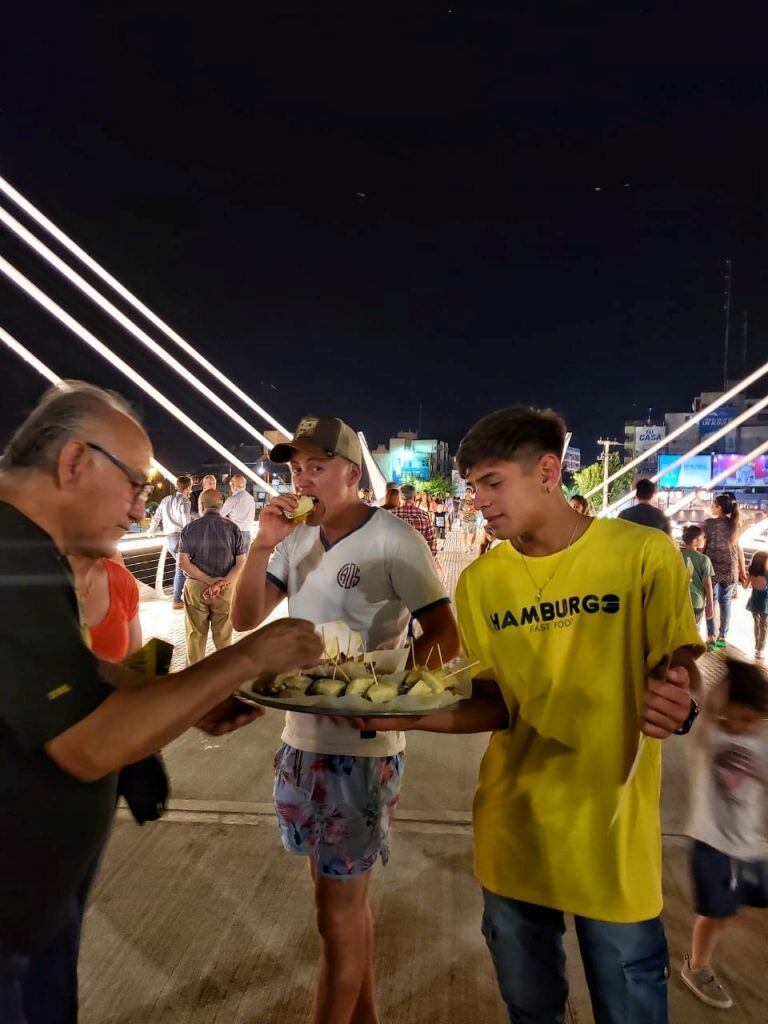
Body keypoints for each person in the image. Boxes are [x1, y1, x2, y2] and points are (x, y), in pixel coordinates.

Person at [352, 406, 703, 1024]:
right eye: (471, 488)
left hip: (614, 835)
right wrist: (404, 714)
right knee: (531, 1010)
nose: (479, 501)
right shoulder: (483, 581)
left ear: (547, 471)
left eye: (492, 483)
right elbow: (494, 704)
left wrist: (681, 693)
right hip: (515, 831)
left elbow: (676, 656)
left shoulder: (643, 553)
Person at [0, 382, 323, 1024]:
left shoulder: (29, 549)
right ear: (73, 463)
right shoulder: (11, 555)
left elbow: (78, 673)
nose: (140, 509)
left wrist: (182, 697)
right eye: (137, 485)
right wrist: (248, 656)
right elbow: (86, 746)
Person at [232, 413, 459, 1024]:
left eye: (317, 466)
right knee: (338, 905)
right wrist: (260, 542)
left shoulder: (391, 538)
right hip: (298, 736)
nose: (302, 479)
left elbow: (443, 627)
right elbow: (246, 616)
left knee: (336, 915)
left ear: (352, 473)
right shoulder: (295, 540)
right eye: (296, 468)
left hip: (360, 747)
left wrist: (400, 696)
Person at [681, 656, 768, 1010]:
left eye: (756, 720)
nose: (749, 726)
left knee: (743, 905)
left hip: (750, 846)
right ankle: (697, 966)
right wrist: (718, 692)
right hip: (711, 845)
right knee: (715, 913)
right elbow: (703, 709)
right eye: (743, 717)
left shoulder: (760, 740)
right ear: (726, 708)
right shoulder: (708, 736)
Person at [178, 489, 247, 665]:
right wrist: (221, 583)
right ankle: (223, 681)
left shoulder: (189, 529)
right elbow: (241, 563)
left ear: (201, 506)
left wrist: (209, 581)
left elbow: (183, 563)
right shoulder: (233, 528)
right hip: (226, 588)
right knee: (224, 639)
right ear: (221, 506)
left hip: (196, 588)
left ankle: (192, 682)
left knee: (195, 636)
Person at [703, 494, 747, 648]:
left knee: (711, 600)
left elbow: (703, 546)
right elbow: (738, 548)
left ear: (719, 507)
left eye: (713, 504)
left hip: (712, 566)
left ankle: (710, 635)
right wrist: (743, 569)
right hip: (730, 568)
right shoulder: (735, 523)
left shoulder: (708, 523)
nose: (711, 507)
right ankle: (723, 635)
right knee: (725, 601)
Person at [148, 474, 192, 609]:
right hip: (180, 538)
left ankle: (183, 596)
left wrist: (151, 530)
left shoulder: (166, 499)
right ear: (188, 488)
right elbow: (186, 521)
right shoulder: (185, 501)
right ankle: (177, 600)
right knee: (182, 568)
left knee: (183, 567)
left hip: (169, 539)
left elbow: (157, 516)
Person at [681, 525, 715, 633]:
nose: (705, 539)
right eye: (703, 537)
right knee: (693, 632)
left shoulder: (676, 555)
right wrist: (710, 605)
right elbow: (707, 584)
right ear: (695, 541)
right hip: (696, 601)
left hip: (678, 600)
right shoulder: (704, 559)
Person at [392, 483, 438, 556]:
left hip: (396, 559)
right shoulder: (424, 515)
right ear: (414, 497)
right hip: (419, 559)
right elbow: (432, 541)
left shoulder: (391, 514)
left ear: (400, 497)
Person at [221, 471, 257, 552]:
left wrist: (228, 519)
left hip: (235, 534)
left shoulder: (233, 499)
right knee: (245, 561)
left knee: (234, 561)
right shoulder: (250, 498)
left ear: (232, 485)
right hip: (247, 534)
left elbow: (219, 515)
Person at [744, 550, 768, 661]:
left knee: (756, 624)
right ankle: (760, 649)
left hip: (754, 601)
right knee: (764, 626)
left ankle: (757, 647)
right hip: (765, 603)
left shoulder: (751, 572)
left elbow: (744, 586)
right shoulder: (766, 574)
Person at [458, 484, 479, 552]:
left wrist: (473, 510)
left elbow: (477, 509)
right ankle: (466, 547)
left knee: (473, 535)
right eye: (467, 492)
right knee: (465, 534)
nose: (468, 493)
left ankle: (469, 545)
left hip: (473, 519)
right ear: (465, 492)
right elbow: (459, 510)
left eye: (469, 492)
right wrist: (463, 512)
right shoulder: (462, 501)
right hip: (465, 519)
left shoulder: (474, 500)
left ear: (471, 493)